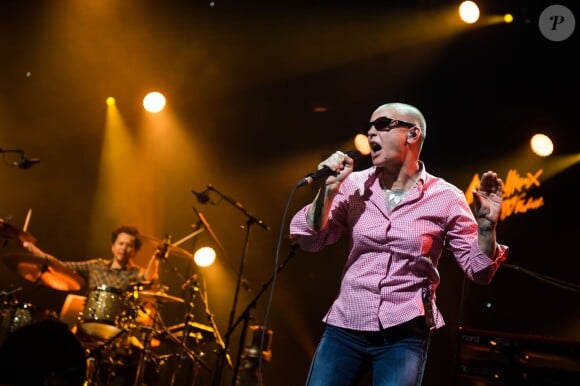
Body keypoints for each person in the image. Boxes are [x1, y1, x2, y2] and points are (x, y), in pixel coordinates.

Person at [289, 102, 509, 386]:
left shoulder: (446, 197)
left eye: (381, 125)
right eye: (367, 127)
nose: (370, 133)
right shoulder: (353, 184)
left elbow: (479, 272)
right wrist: (328, 191)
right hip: (346, 325)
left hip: (404, 332)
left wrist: (488, 228)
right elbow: (310, 240)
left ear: (413, 134)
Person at [21, 225, 164, 386]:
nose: (123, 248)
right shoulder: (96, 266)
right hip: (87, 326)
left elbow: (149, 280)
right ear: (113, 246)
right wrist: (31, 248)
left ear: (135, 251)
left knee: (140, 359)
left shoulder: (135, 274)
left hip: (118, 333)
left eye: (129, 245)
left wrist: (156, 258)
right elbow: (60, 265)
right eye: (120, 243)